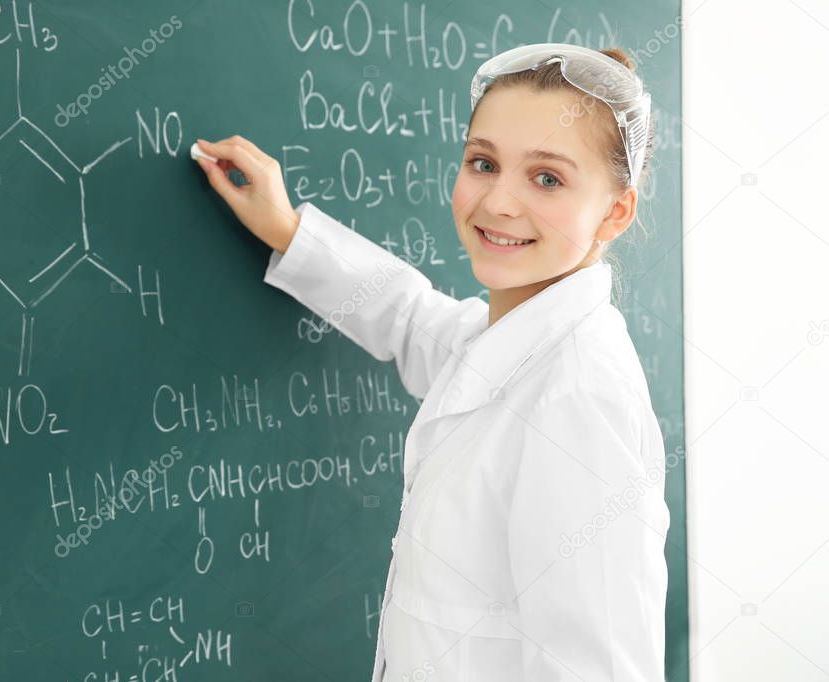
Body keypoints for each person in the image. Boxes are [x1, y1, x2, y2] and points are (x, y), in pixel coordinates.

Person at [195, 42, 670, 682]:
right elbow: (410, 316)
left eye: (547, 178)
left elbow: (596, 667)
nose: (498, 202)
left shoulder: (576, 397)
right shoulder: (508, 344)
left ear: (615, 211)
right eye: (483, 163)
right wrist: (289, 231)